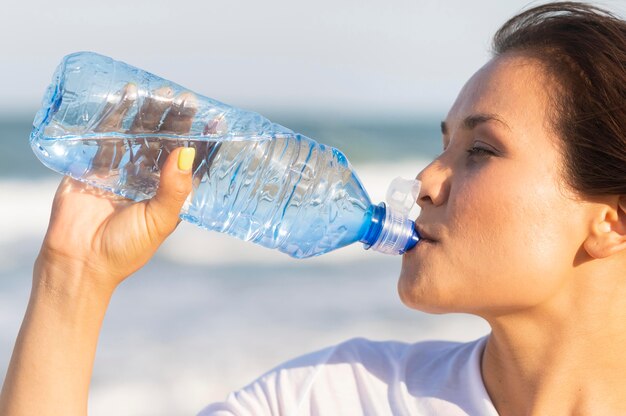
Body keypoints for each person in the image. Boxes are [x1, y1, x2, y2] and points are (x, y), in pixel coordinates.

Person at [2, 1, 626, 414]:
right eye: (442, 144)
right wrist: (73, 277)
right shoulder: (338, 396)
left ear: (611, 220)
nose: (428, 179)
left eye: (481, 150)